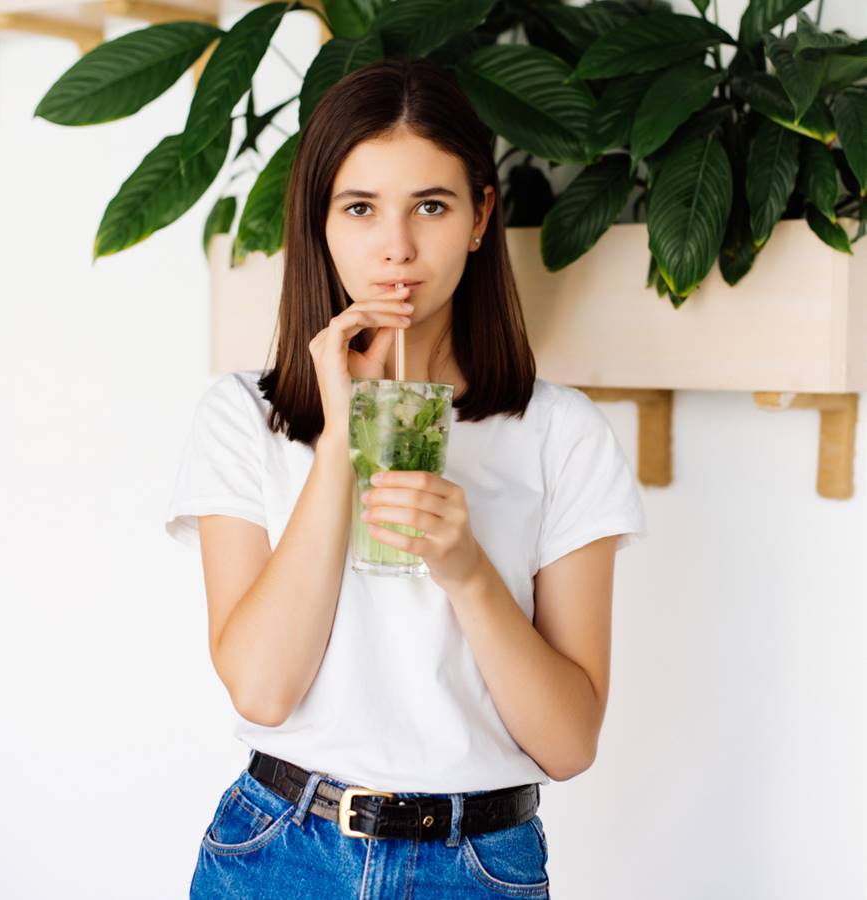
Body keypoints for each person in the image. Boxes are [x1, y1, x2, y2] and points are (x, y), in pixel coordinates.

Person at [165, 56, 647, 899]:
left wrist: (466, 570)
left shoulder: (559, 432)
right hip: (277, 851)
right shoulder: (244, 417)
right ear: (320, 223)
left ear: (478, 216)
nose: (396, 248)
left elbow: (569, 744)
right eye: (360, 208)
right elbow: (263, 688)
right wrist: (340, 435)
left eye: (430, 205)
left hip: (478, 865)